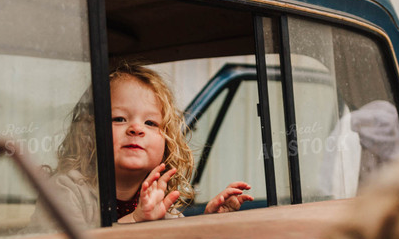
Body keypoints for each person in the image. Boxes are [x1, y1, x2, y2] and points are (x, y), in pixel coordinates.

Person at [31, 63, 252, 229]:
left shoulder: (160, 201)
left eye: (151, 123)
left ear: (167, 143)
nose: (136, 129)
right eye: (119, 119)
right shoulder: (65, 191)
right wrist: (136, 219)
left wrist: (208, 222)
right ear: (88, 133)